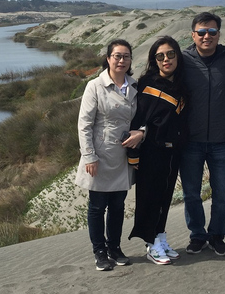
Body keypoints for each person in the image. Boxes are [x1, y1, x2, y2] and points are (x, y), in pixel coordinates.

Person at [75, 39, 141, 271]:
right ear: (108, 58)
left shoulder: (135, 86)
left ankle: (114, 247)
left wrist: (141, 132)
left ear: (131, 60)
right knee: (97, 206)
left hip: (124, 156)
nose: (121, 60)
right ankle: (99, 252)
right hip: (101, 155)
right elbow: (84, 125)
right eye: (117, 56)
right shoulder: (95, 86)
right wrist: (90, 156)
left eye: (126, 56)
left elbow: (144, 119)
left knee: (118, 206)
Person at [180, 11, 225, 256]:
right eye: (201, 32)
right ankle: (197, 235)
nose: (207, 37)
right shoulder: (182, 60)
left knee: (223, 192)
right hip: (190, 141)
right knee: (191, 193)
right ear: (193, 35)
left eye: (212, 32)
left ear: (218, 34)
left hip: (221, 140)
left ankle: (216, 235)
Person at [127, 36, 187, 265]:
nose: (166, 60)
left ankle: (160, 237)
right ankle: (151, 244)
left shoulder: (181, 85)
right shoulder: (146, 84)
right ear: (154, 60)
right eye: (160, 56)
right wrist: (136, 149)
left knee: (165, 197)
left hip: (173, 152)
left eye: (170, 54)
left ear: (177, 56)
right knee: (149, 198)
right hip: (151, 151)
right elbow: (138, 120)